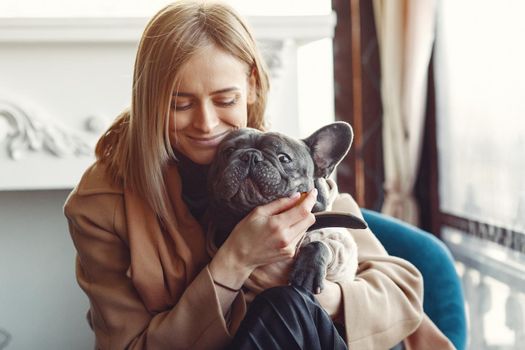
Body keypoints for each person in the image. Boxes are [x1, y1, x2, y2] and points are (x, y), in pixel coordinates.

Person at [64, 1, 451, 349]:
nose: (206, 123)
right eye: (180, 104)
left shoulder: (282, 162)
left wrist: (310, 289)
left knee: (284, 306)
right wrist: (233, 263)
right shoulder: (101, 205)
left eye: (225, 100)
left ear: (250, 85)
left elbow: (399, 292)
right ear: (149, 98)